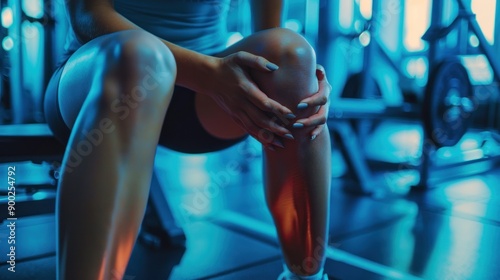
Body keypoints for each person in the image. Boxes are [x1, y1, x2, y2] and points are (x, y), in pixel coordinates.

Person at [43, 0, 332, 279]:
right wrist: (208, 74)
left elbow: (270, 43)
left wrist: (301, 81)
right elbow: (89, 17)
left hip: (204, 96)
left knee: (293, 55)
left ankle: (307, 276)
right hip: (104, 78)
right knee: (140, 54)